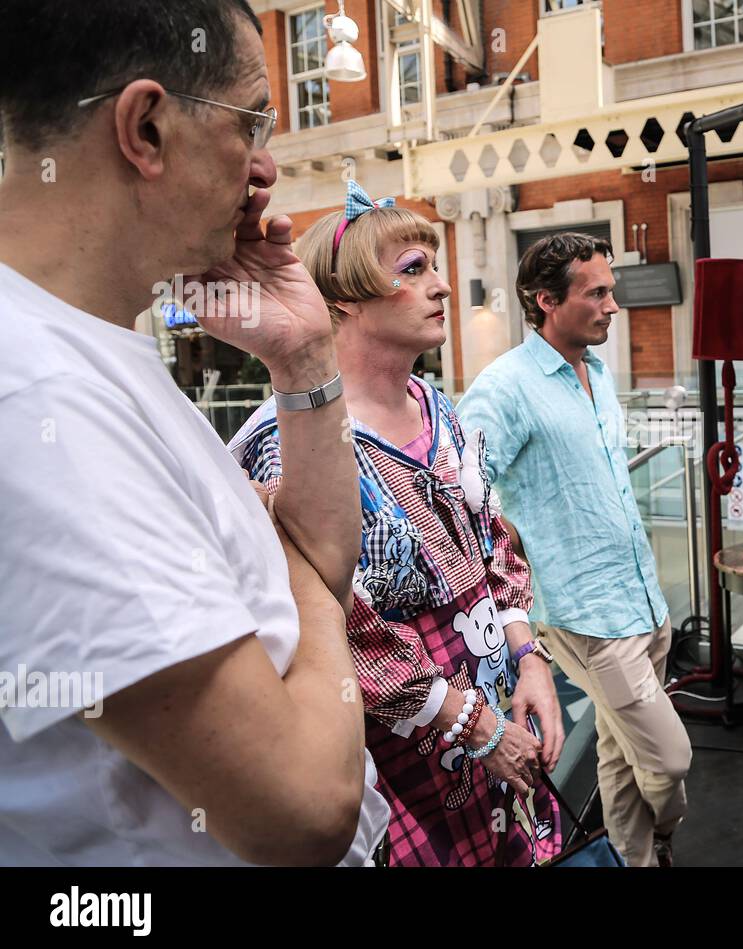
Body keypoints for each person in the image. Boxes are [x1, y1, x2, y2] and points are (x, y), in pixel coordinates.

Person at [0, 0, 390, 864]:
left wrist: (304, 355)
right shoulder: (35, 397)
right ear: (146, 127)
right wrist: (297, 569)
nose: (265, 168)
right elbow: (305, 809)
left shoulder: (91, 354)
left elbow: (321, 548)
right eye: (251, 122)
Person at [231, 182, 564, 866]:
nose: (441, 287)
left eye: (433, 267)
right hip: (400, 756)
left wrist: (528, 656)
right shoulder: (289, 441)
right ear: (344, 298)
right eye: (413, 270)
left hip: (490, 730)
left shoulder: (435, 406)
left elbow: (488, 539)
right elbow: (328, 623)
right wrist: (473, 726)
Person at [458, 232, 692, 867]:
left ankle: (638, 858)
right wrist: (516, 581)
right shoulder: (504, 387)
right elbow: (461, 499)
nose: (613, 306)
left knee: (619, 751)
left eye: (611, 291)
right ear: (546, 301)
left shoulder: (595, 370)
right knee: (670, 757)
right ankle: (666, 832)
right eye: (598, 293)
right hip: (584, 612)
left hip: (642, 596)